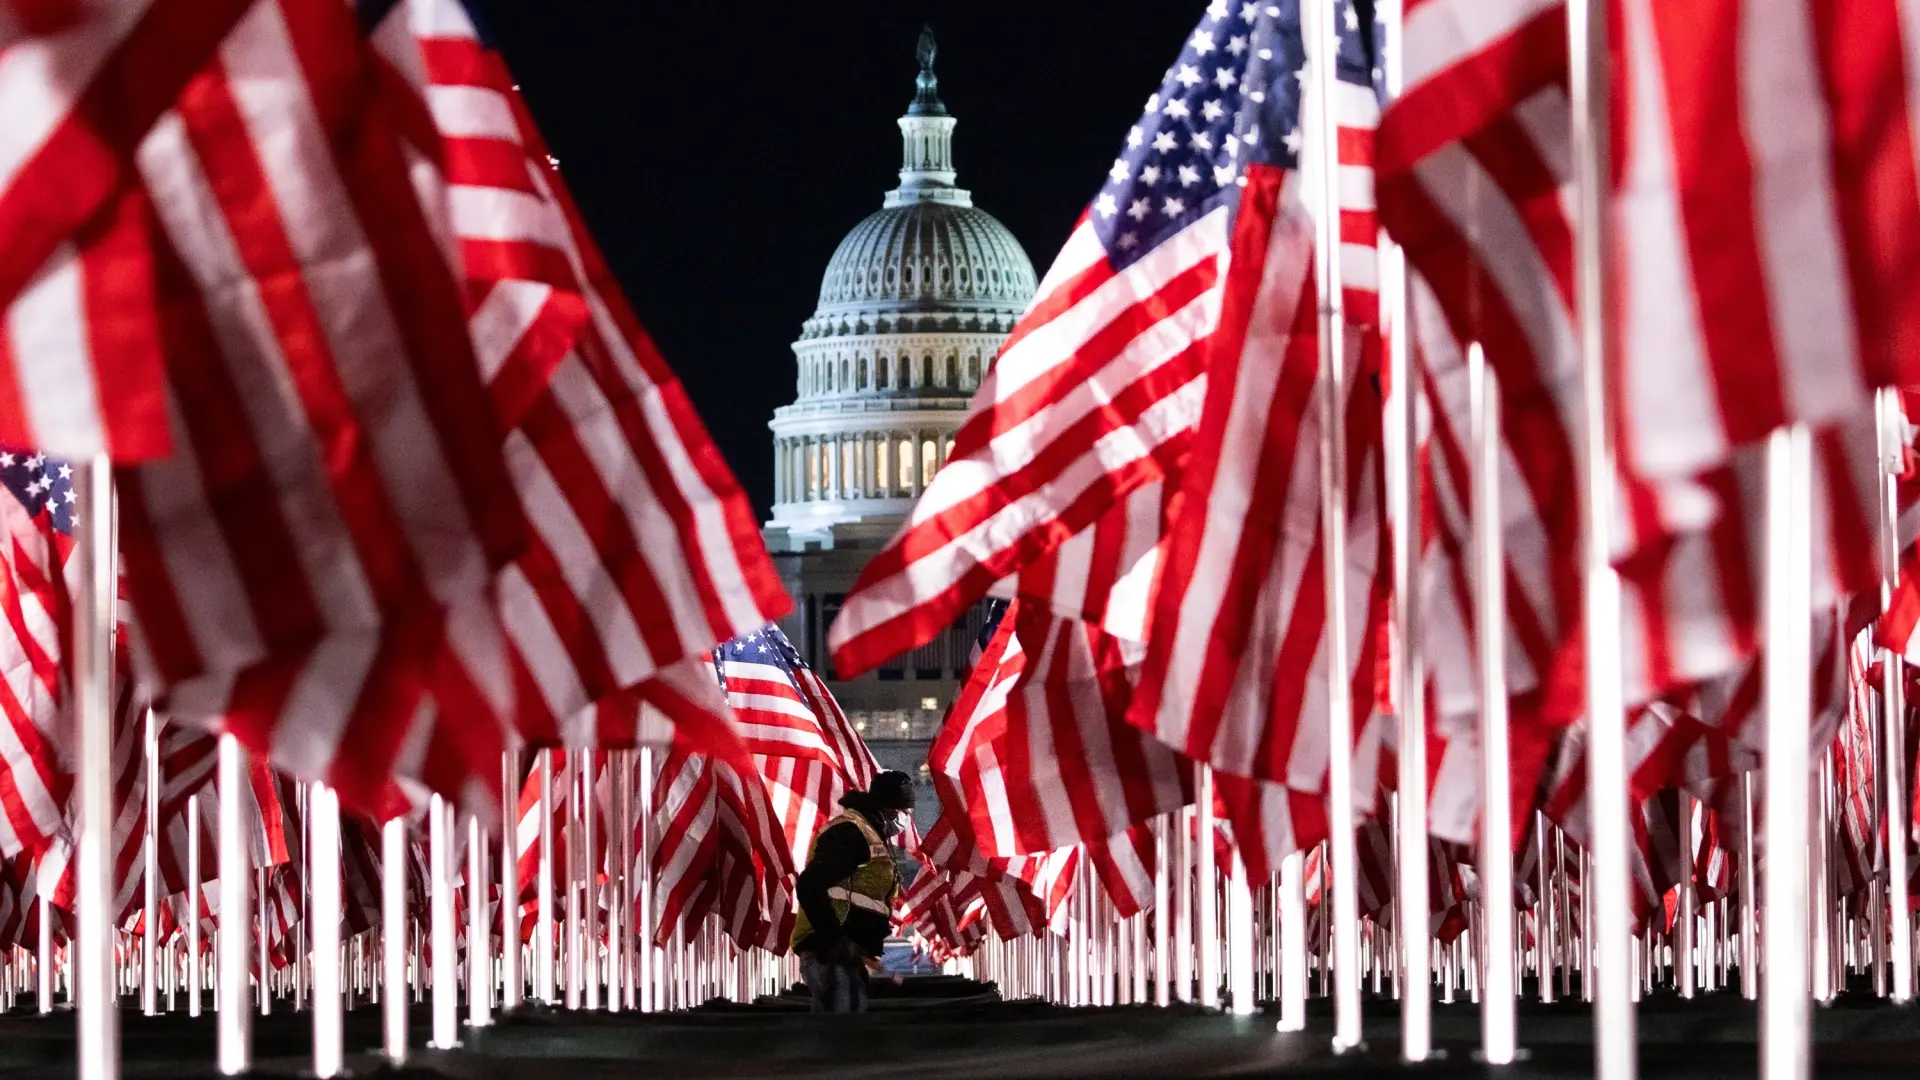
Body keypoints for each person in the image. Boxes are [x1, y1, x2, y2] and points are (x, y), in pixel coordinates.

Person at [791, 770, 915, 1013]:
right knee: (841, 1035)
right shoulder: (851, 832)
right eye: (904, 812)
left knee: (847, 1030)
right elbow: (810, 885)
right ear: (889, 808)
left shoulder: (869, 832)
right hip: (829, 952)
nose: (905, 820)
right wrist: (833, 939)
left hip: (845, 953)